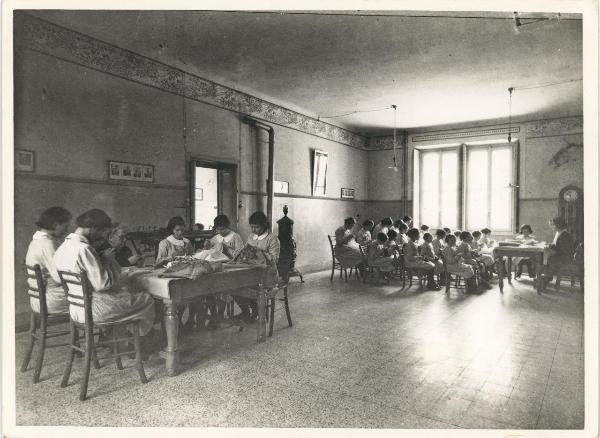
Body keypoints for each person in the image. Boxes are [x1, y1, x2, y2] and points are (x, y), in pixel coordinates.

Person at [53, 209, 155, 336]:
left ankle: (120, 339)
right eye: (101, 231)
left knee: (126, 294)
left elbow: (58, 279)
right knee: (147, 299)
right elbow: (103, 285)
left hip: (75, 309)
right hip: (94, 310)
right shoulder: (84, 249)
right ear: (93, 228)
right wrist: (109, 261)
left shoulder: (62, 247)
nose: (101, 236)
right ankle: (139, 340)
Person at [25, 207, 72, 314]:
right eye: (65, 226)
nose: (66, 230)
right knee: (93, 298)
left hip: (38, 298)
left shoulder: (36, 241)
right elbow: (58, 278)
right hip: (49, 300)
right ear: (55, 225)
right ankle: (87, 328)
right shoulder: (47, 244)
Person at [235, 211, 280, 321]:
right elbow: (246, 252)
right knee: (233, 285)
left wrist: (260, 252)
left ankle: (255, 310)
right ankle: (247, 311)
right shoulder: (251, 237)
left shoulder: (272, 238)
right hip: (251, 273)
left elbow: (274, 260)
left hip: (268, 274)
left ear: (264, 225)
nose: (254, 230)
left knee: (248, 286)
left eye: (257, 227)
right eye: (252, 227)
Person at [203, 215, 244, 328]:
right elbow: (208, 253)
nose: (220, 232)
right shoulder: (215, 238)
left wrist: (227, 250)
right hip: (215, 268)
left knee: (223, 289)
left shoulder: (235, 237)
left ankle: (219, 315)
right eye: (218, 229)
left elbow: (241, 256)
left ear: (228, 227)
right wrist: (206, 247)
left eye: (223, 229)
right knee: (207, 288)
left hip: (230, 268)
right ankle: (214, 315)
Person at [542, 216, 574, 289]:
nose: (552, 227)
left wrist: (551, 249)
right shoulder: (558, 233)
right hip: (560, 255)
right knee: (547, 257)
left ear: (558, 225)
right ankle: (547, 277)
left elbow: (563, 250)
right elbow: (555, 244)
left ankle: (547, 277)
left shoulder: (565, 235)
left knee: (551, 259)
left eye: (553, 225)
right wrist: (549, 245)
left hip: (565, 257)